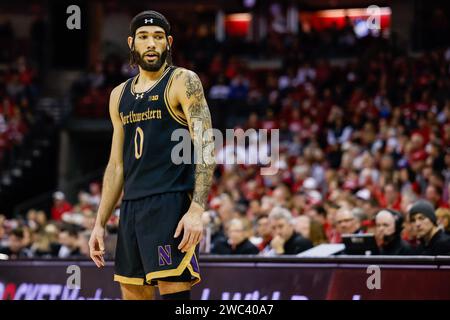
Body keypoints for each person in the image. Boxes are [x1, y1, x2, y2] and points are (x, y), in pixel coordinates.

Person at [88, 11, 215, 300]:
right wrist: (99, 222)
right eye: (144, 37)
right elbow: (116, 165)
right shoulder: (118, 95)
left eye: (158, 37)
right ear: (132, 43)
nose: (151, 43)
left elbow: (206, 146)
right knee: (132, 291)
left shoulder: (183, 80)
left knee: (172, 290)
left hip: (170, 202)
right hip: (131, 207)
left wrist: (196, 209)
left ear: (168, 43)